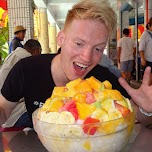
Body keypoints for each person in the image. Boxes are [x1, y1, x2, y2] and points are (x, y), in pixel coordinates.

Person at [0, 0, 150, 128]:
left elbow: (138, 117)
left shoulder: (104, 80)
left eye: (98, 48)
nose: (87, 57)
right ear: (61, 39)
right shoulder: (27, 69)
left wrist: (147, 110)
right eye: (79, 43)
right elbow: (3, 111)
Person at [0, 39, 42, 128]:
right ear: (36, 50)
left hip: (5, 109)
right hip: (12, 112)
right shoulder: (27, 60)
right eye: (40, 52)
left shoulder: (14, 55)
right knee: (41, 115)